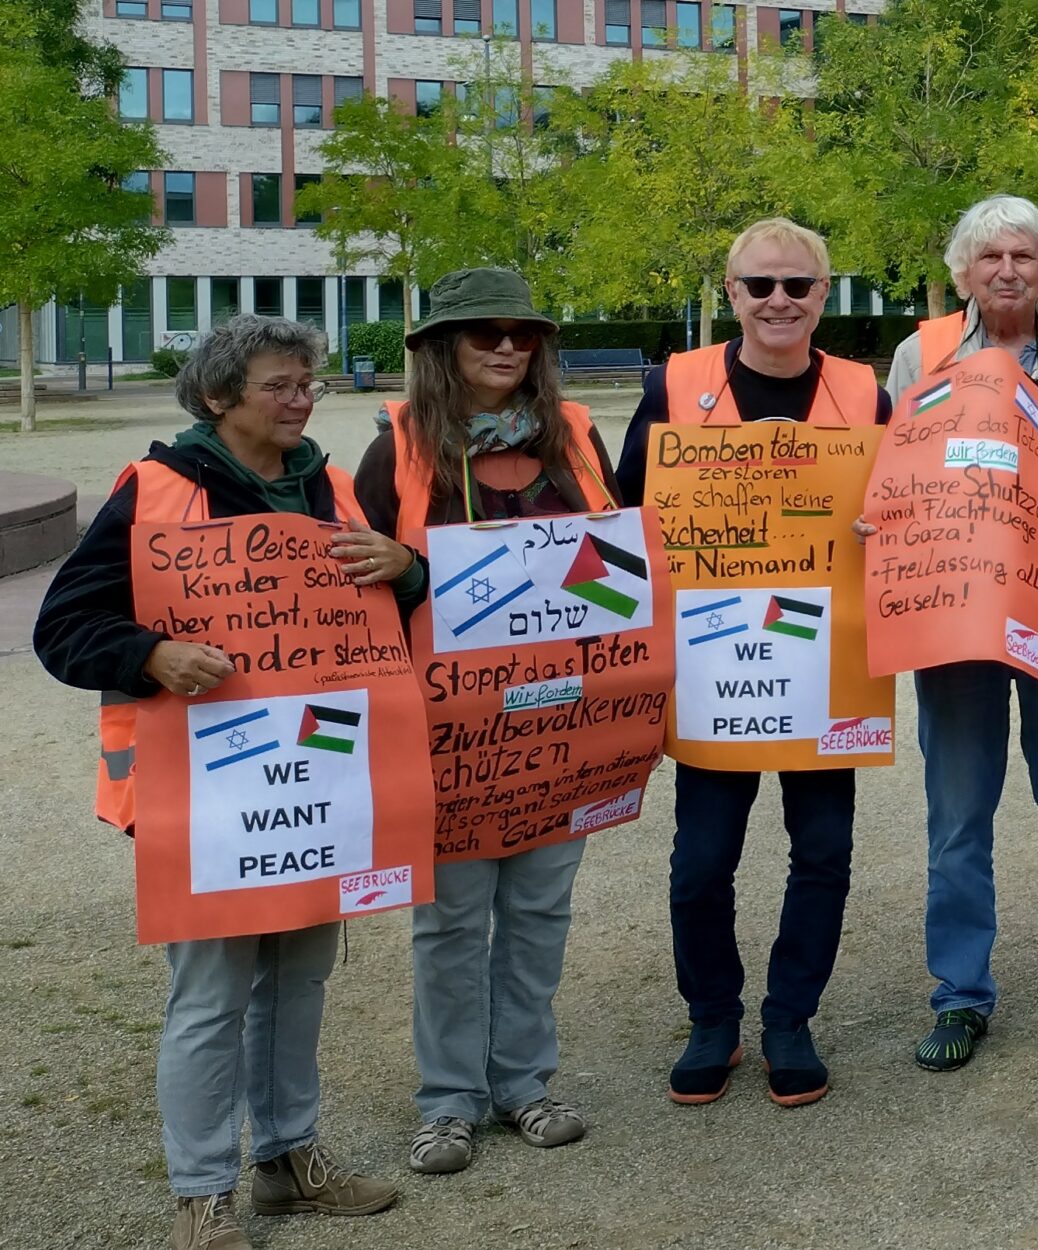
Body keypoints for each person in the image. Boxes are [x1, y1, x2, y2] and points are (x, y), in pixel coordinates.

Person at [35, 315, 405, 1250]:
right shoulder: (154, 490)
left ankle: (288, 1161)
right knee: (210, 995)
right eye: (282, 385)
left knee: (301, 979)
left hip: (318, 774)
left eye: (308, 385)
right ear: (217, 397)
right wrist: (150, 652)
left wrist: (407, 568)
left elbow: (381, 611)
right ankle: (202, 1195)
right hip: (203, 788)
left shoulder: (324, 484)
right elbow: (64, 628)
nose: (302, 400)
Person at [618, 217, 891, 1109]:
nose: (779, 301)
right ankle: (712, 1017)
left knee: (824, 850)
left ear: (824, 294)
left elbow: (905, 511)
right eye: (760, 286)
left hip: (831, 660)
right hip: (714, 665)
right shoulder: (675, 385)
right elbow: (625, 515)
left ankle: (789, 1018)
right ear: (730, 293)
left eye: (798, 286)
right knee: (702, 859)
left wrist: (883, 529)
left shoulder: (865, 393)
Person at [354, 268, 619, 1173]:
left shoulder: (575, 436)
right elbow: (359, 600)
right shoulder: (396, 451)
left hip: (563, 725)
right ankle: (449, 1102)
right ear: (440, 350)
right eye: (483, 333)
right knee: (453, 920)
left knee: (541, 907)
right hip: (448, 733)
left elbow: (617, 571)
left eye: (523, 333)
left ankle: (525, 1084)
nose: (507, 347)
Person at [884, 194, 1038, 1072]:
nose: (1007, 272)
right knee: (957, 820)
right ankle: (959, 994)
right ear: (962, 271)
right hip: (953, 622)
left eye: (1024, 257)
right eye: (989, 258)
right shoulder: (919, 352)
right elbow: (892, 469)